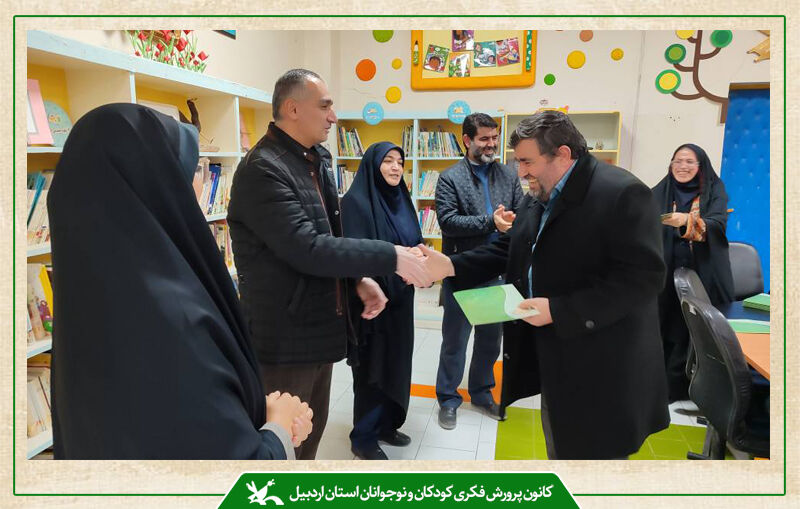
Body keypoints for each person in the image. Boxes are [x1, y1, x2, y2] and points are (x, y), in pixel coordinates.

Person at [48, 103, 312, 459]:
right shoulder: (174, 316)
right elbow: (237, 473)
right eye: (194, 168)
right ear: (161, 183)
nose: (201, 182)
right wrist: (279, 426)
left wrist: (243, 408)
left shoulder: (89, 298)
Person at [420, 110, 670, 459]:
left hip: (604, 366)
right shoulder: (542, 192)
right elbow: (512, 246)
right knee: (562, 445)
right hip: (559, 356)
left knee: (595, 461)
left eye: (527, 162)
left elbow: (642, 279)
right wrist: (451, 265)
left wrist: (559, 310)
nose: (520, 172)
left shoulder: (623, 193)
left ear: (562, 155)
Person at [227, 69, 429, 460]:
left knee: (309, 440)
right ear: (292, 109)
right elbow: (308, 247)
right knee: (280, 448)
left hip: (319, 328)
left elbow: (329, 236)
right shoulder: (263, 169)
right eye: (325, 106)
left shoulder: (316, 160)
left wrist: (356, 280)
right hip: (283, 339)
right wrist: (392, 255)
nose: (333, 116)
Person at [434, 113, 524, 430]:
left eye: (495, 137)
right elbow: (448, 221)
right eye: (484, 138)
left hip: (496, 271)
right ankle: (448, 399)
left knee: (489, 341)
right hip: (462, 272)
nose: (491, 144)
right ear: (466, 140)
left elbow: (521, 211)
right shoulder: (449, 178)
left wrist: (514, 220)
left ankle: (482, 393)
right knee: (455, 342)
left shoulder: (508, 175)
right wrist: (492, 222)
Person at [340, 142, 423, 460]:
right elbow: (353, 255)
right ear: (372, 165)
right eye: (388, 161)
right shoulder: (355, 203)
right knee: (372, 369)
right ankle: (363, 436)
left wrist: (419, 259)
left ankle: (387, 424)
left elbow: (415, 241)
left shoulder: (402, 198)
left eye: (400, 161)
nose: (395, 167)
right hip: (372, 304)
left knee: (397, 363)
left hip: (402, 300)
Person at [652, 143, 734, 402]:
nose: (683, 166)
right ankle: (658, 385)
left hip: (702, 274)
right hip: (665, 274)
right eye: (678, 161)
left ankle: (687, 387)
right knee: (662, 324)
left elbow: (717, 225)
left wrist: (687, 220)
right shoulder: (661, 191)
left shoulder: (714, 191)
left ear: (701, 166)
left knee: (691, 328)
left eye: (689, 162)